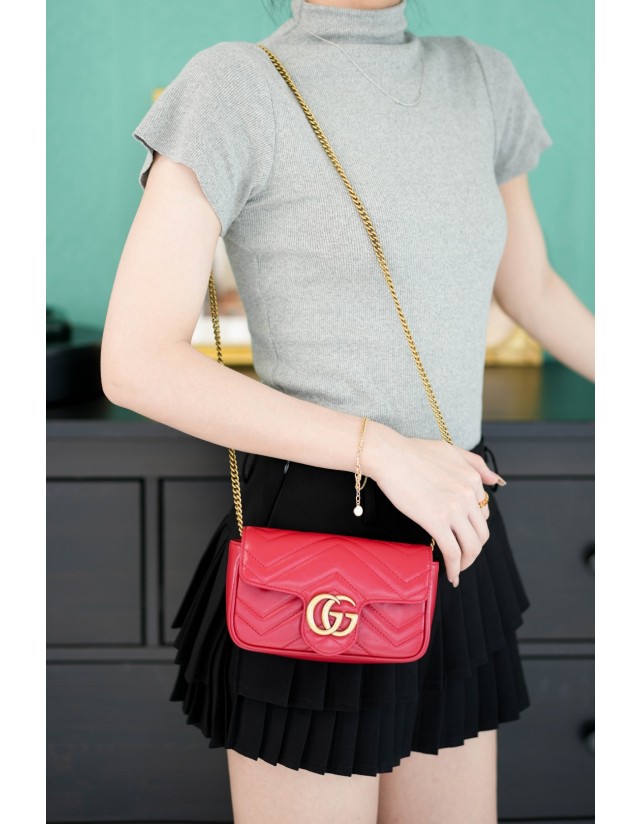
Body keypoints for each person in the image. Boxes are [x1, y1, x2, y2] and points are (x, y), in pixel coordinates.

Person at [101, 0, 595, 821]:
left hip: (455, 521)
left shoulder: (481, 78)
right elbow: (136, 360)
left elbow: (532, 287)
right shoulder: (234, 85)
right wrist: (385, 450)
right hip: (321, 536)